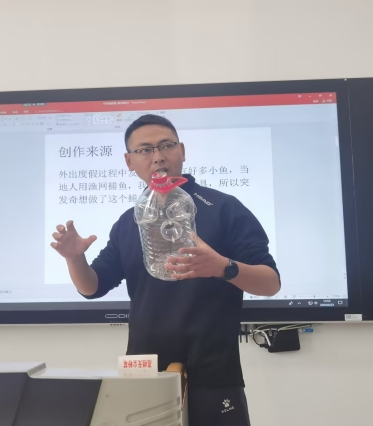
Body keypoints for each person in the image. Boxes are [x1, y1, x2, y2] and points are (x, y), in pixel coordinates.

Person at [51, 114, 280, 426]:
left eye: (166, 146)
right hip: (145, 372)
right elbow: (93, 287)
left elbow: (270, 283)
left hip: (214, 372)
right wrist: (74, 259)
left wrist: (222, 267)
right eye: (145, 150)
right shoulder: (129, 221)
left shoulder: (225, 208)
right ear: (129, 161)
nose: (158, 156)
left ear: (182, 151)